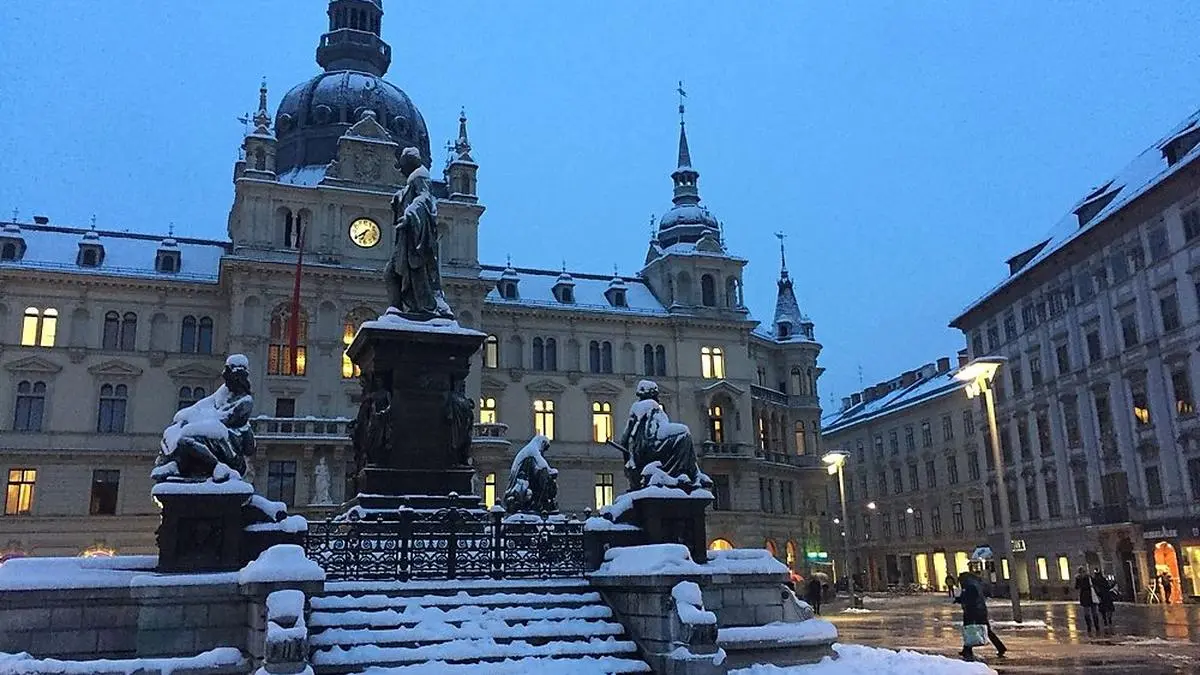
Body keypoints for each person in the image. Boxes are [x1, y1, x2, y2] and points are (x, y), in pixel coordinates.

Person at [954, 571, 1006, 661]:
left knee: (970, 629)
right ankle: (967, 649)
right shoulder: (975, 583)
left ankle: (968, 649)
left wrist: (960, 599)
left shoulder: (969, 586)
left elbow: (970, 598)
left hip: (973, 611)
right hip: (980, 610)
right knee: (981, 629)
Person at [1075, 566, 1101, 634]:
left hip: (1087, 596)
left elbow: (1077, 587)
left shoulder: (1082, 578)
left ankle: (1091, 627)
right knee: (1092, 613)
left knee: (1090, 613)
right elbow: (1095, 584)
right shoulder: (1087, 577)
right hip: (1089, 596)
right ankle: (1094, 627)